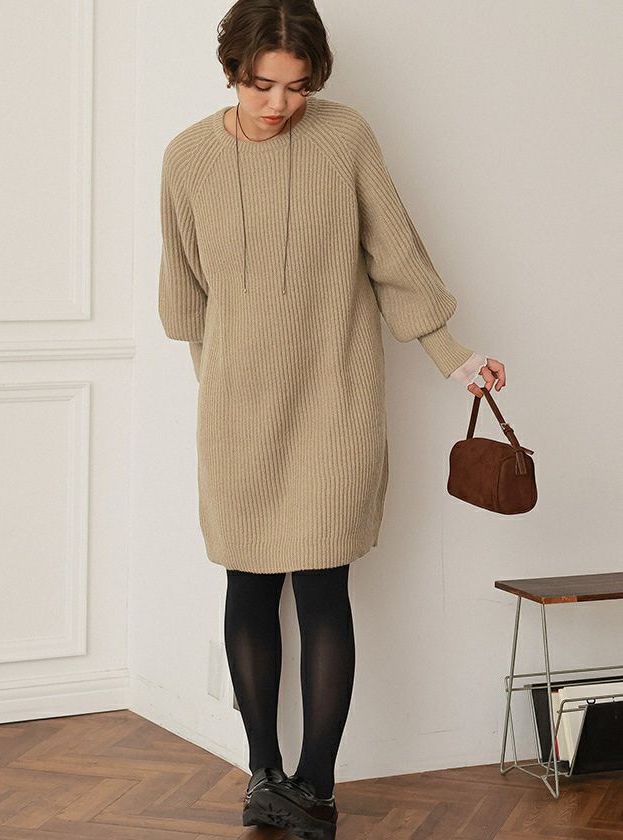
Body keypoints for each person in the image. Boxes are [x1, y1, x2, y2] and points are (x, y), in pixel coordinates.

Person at [157, 1, 507, 836]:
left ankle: (316, 786)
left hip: (333, 403)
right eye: (261, 84)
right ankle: (263, 776)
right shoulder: (187, 158)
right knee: (247, 585)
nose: (279, 103)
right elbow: (185, 297)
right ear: (231, 70)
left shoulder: (345, 137)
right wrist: (221, 391)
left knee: (322, 589)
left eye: (297, 86)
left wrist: (454, 355)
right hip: (236, 413)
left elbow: (396, 256)